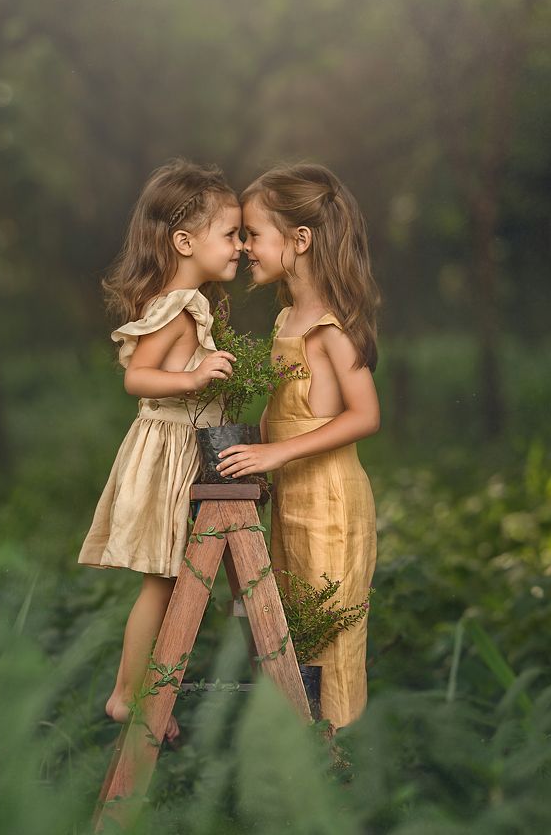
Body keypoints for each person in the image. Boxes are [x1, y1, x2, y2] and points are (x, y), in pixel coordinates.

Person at [79, 158, 242, 739]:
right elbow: (139, 379)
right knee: (161, 578)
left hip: (184, 446)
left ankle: (148, 692)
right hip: (165, 448)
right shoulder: (176, 307)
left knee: (176, 578)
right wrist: (195, 380)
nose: (241, 246)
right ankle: (128, 694)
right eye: (230, 234)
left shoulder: (191, 302)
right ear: (184, 241)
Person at [216, 163, 381, 729]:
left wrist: (274, 455)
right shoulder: (289, 317)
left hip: (330, 506)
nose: (245, 248)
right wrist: (257, 452)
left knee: (328, 641)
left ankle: (341, 767)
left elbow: (365, 414)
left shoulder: (332, 326)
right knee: (286, 631)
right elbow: (283, 410)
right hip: (291, 499)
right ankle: (300, 768)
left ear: (300, 240)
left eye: (253, 234)